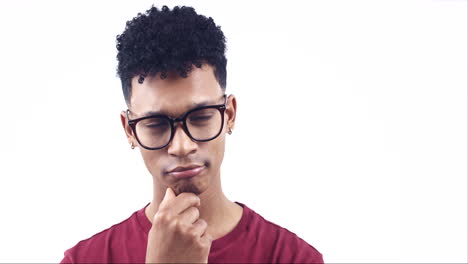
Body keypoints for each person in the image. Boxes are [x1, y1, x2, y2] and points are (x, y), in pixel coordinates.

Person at [60, 5, 323, 263]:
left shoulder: (293, 257)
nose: (182, 146)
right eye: (156, 124)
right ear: (129, 130)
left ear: (229, 114)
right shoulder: (85, 259)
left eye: (201, 118)